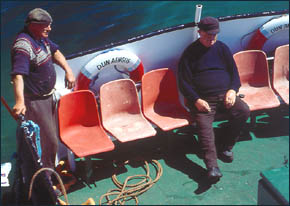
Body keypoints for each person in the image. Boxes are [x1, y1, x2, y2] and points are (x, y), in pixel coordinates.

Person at [178, 17, 250, 182]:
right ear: (199, 32)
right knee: (205, 129)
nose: (212, 38)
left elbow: (234, 75)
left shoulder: (222, 49)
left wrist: (232, 91)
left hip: (226, 97)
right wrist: (196, 100)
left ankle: (226, 146)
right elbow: (183, 83)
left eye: (214, 35)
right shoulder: (189, 54)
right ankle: (212, 167)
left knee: (243, 111)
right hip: (204, 100)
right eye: (208, 35)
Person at [10, 8, 75, 183]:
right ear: (34, 26)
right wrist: (20, 101)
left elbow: (55, 52)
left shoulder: (41, 38)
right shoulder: (23, 46)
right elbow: (18, 75)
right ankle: (46, 181)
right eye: (46, 25)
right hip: (36, 102)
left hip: (48, 98)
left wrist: (68, 70)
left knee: (51, 138)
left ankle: (51, 171)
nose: (50, 29)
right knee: (49, 142)